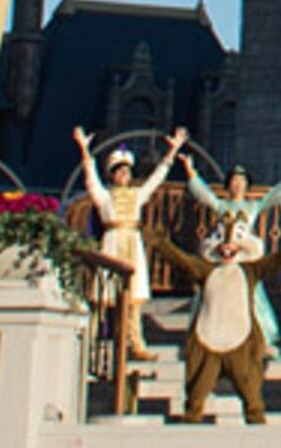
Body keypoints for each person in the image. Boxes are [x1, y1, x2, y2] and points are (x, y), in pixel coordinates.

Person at [147, 202, 281, 425]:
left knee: (252, 399)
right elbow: (182, 261)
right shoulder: (206, 270)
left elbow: (276, 260)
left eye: (231, 245)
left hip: (241, 342)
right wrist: (161, 244)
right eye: (223, 244)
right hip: (208, 341)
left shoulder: (249, 270)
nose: (226, 249)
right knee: (195, 400)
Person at [73, 126, 188, 417]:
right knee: (105, 300)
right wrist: (84, 150)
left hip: (131, 243)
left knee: (134, 300)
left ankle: (136, 342)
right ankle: (97, 346)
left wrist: (172, 151)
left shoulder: (136, 196)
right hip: (112, 243)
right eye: (119, 173)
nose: (123, 177)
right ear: (113, 175)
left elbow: (155, 180)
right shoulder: (106, 198)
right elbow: (91, 181)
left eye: (126, 172)